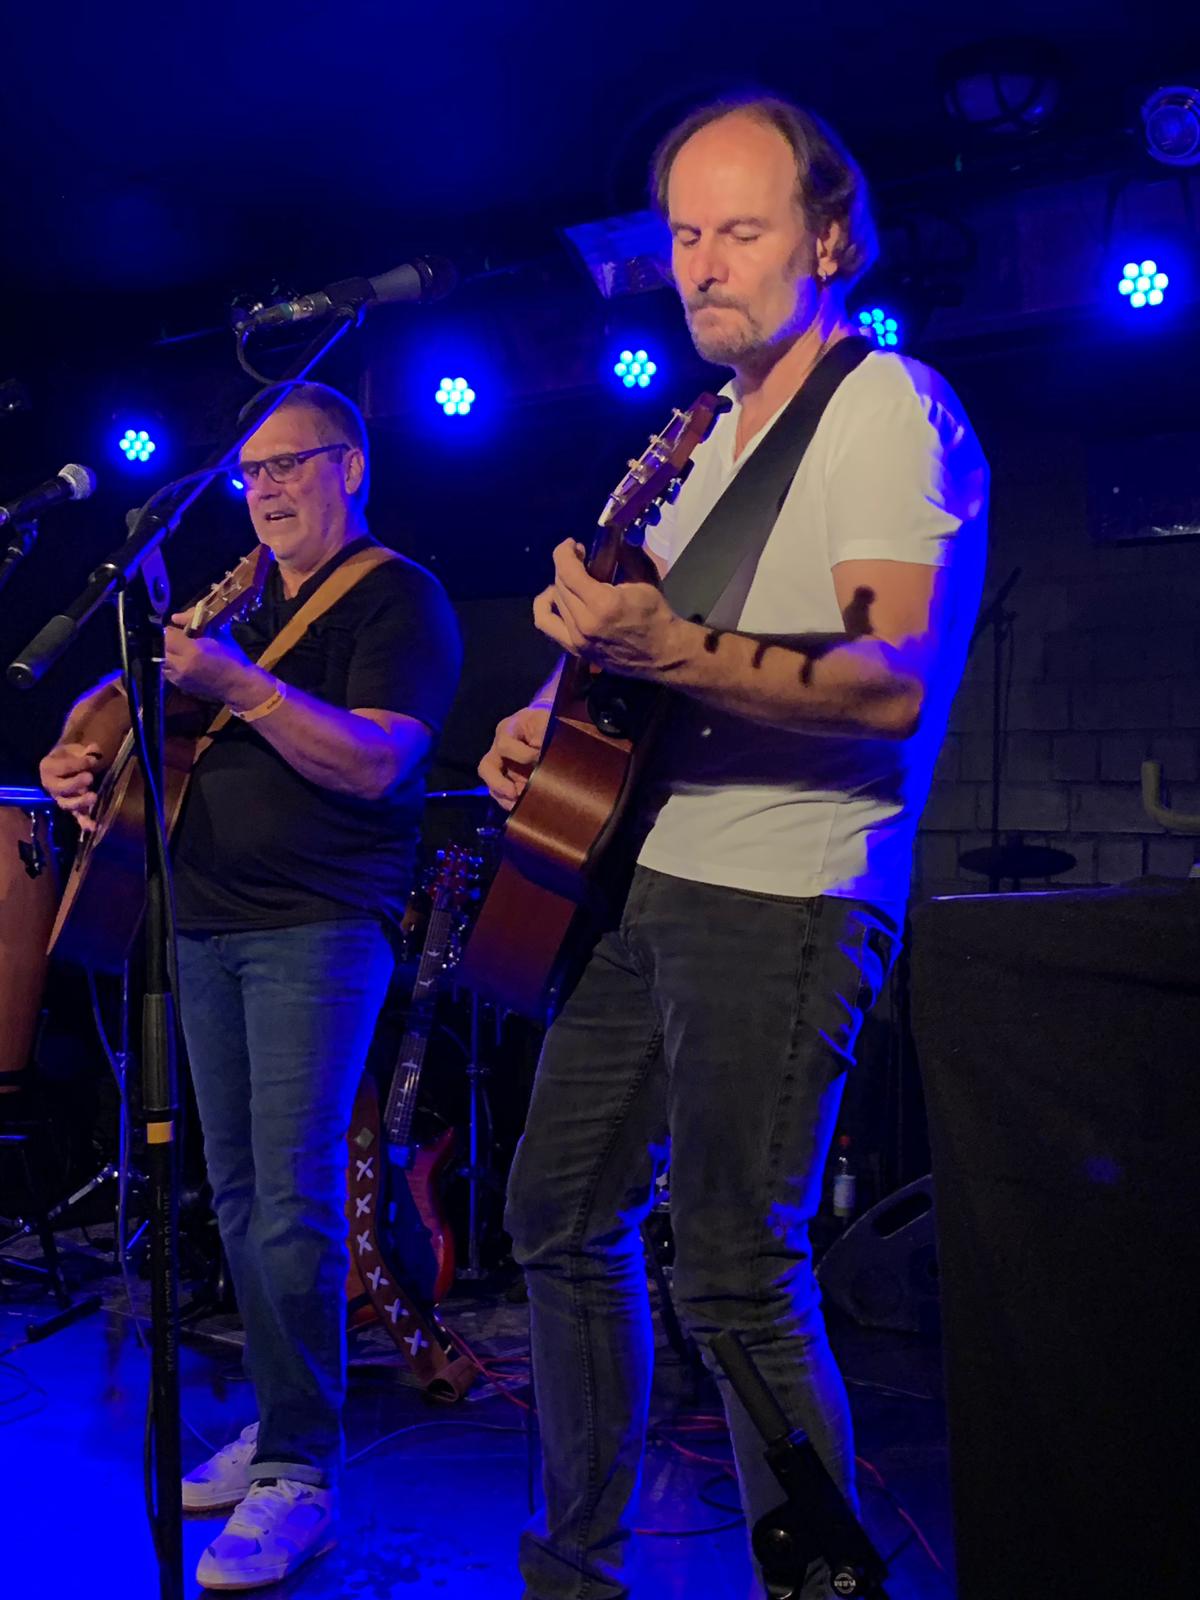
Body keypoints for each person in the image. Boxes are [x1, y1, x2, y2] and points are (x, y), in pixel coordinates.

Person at [478, 97, 988, 1600]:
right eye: (685, 234)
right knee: (555, 1215)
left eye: (741, 230)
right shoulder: (694, 436)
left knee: (733, 1271)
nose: (700, 264)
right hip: (644, 873)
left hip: (784, 893)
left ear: (827, 239)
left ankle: (821, 1584)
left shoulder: (884, 404)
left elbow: (888, 682)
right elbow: (638, 649)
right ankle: (576, 1570)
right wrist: (542, 716)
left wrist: (667, 647)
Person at [40, 381, 462, 1590]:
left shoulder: (397, 596)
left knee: (294, 1199)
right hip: (203, 923)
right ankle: (280, 1426)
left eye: (288, 465)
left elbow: (380, 761)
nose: (264, 490)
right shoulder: (239, 598)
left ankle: (301, 1471)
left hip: (317, 925)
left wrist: (243, 688)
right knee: (235, 1195)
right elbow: (111, 701)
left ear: (350, 468)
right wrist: (73, 749)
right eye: (251, 473)